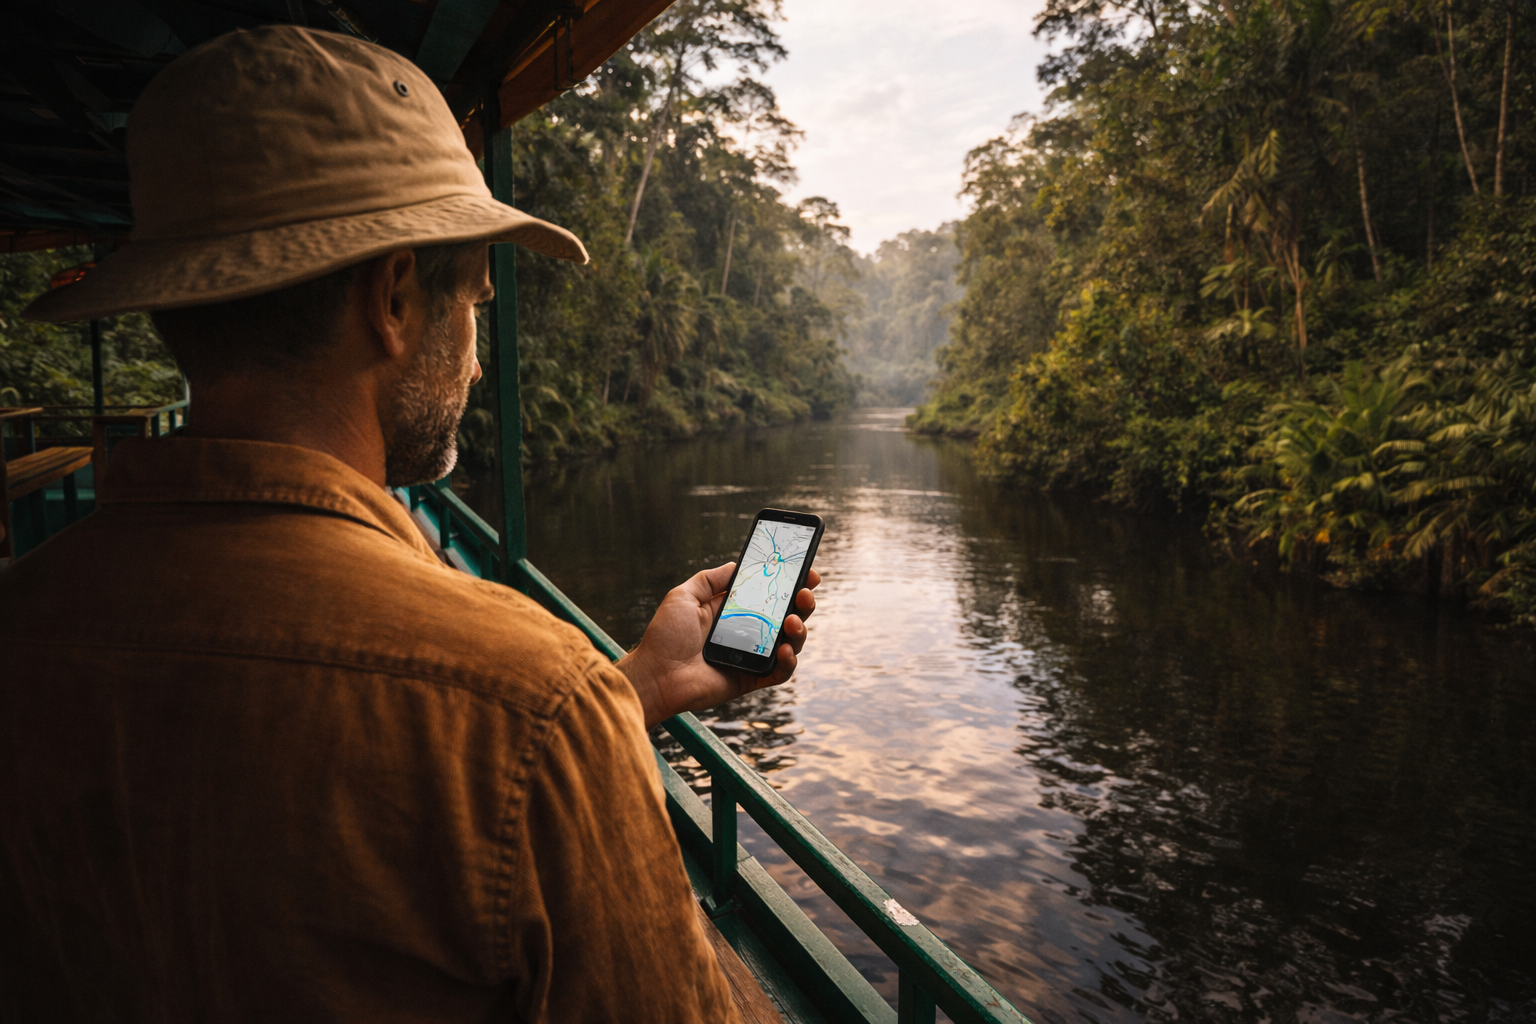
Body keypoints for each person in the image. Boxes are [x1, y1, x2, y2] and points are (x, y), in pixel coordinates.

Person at [0, 25, 817, 1023]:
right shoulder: (537, 701)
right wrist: (585, 721)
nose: (476, 363)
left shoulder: (25, 612)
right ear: (392, 297)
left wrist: (635, 687)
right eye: (472, 304)